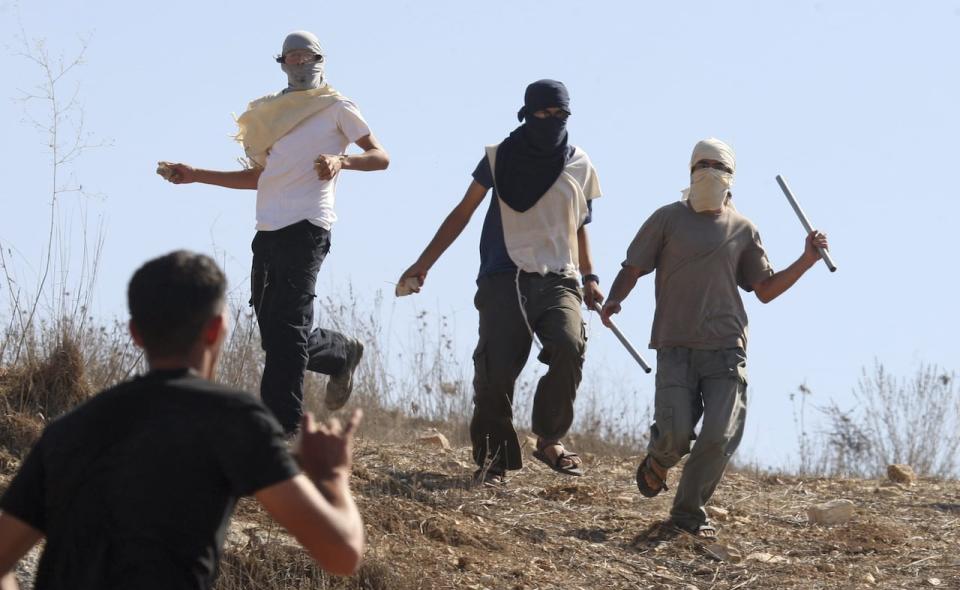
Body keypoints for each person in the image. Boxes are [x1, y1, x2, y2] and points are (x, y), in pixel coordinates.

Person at [0, 251, 365, 590]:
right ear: (217, 328)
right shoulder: (231, 419)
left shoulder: (68, 430)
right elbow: (341, 553)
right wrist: (333, 477)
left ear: (136, 334)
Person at [160, 30, 389, 432]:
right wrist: (196, 175)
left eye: (307, 57)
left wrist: (341, 162)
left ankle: (279, 432)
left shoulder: (337, 106)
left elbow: (379, 156)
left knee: (285, 334)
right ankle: (339, 353)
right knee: (277, 334)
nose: (300, 65)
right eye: (292, 58)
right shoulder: (270, 115)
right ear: (282, 64)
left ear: (320, 60)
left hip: (308, 226)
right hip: (267, 229)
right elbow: (260, 178)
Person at [601, 138, 829, 538]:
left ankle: (688, 515)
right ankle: (659, 461)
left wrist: (807, 260)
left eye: (716, 165)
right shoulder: (667, 219)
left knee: (720, 435)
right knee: (675, 434)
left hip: (725, 349)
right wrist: (614, 300)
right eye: (701, 164)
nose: (708, 171)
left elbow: (765, 289)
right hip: (675, 346)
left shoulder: (743, 229)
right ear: (689, 171)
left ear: (730, 176)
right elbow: (632, 267)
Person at [398, 80, 603, 486]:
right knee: (495, 372)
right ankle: (494, 461)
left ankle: (549, 439)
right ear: (527, 114)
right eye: (543, 114)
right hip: (503, 274)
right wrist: (424, 263)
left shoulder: (579, 163)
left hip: (559, 276)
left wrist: (591, 276)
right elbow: (463, 211)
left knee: (569, 345)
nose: (551, 122)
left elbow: (580, 225)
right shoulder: (499, 158)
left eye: (560, 115)